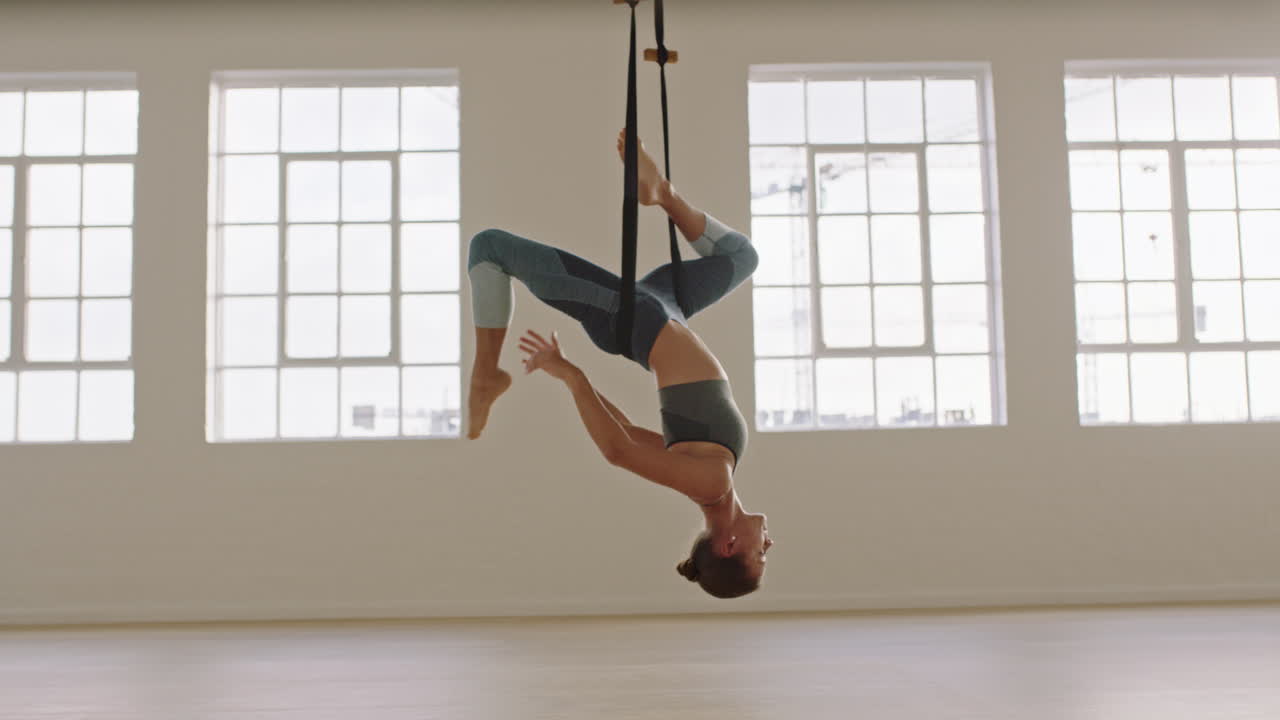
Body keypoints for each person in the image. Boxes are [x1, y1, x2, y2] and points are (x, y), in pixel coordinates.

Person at [465, 131, 772, 599]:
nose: (769, 543)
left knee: (489, 248)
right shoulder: (712, 478)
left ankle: (487, 373)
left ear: (729, 546)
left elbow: (619, 451)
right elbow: (626, 431)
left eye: (760, 554)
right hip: (664, 307)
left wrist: (571, 374)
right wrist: (572, 373)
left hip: (630, 318)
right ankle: (663, 194)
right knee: (742, 258)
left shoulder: (711, 483)